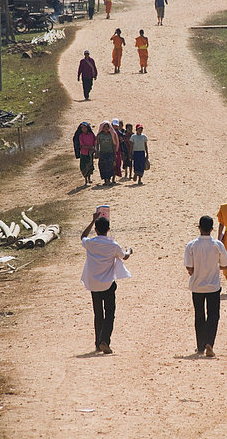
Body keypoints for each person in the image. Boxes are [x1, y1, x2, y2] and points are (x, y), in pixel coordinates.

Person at [81, 212, 132, 353]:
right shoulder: (113, 245)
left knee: (98, 314)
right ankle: (105, 340)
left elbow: (83, 237)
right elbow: (124, 257)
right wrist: (129, 250)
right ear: (108, 229)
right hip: (108, 284)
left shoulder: (90, 243)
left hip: (93, 284)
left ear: (96, 230)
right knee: (109, 313)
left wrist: (92, 221)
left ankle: (98, 343)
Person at [184, 215, 227, 357]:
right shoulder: (217, 245)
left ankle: (200, 346)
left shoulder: (191, 245)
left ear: (199, 228)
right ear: (211, 229)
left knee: (199, 315)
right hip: (213, 286)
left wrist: (194, 270)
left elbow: (189, 268)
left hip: (197, 286)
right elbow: (225, 264)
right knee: (213, 315)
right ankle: (210, 343)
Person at [96, 121, 119, 185]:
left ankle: (108, 179)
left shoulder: (111, 135)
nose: (106, 128)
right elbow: (97, 144)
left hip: (110, 153)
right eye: (104, 127)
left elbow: (114, 144)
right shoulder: (99, 135)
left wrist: (115, 154)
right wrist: (97, 152)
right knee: (102, 166)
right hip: (102, 153)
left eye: (107, 127)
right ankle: (105, 180)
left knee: (109, 166)